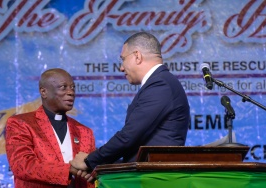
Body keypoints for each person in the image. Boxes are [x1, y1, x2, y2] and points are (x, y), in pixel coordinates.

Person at [71, 31, 190, 174]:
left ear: (137, 56)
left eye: (123, 59)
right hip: (150, 174)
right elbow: (137, 144)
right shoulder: (160, 83)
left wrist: (89, 161)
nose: (121, 67)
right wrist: (100, 167)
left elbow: (129, 136)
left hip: (154, 179)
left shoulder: (160, 85)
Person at [5, 68, 101, 188]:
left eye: (73, 88)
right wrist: (69, 170)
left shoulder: (84, 132)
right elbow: (23, 165)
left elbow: (91, 187)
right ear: (44, 92)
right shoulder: (21, 123)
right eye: (63, 87)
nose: (71, 92)